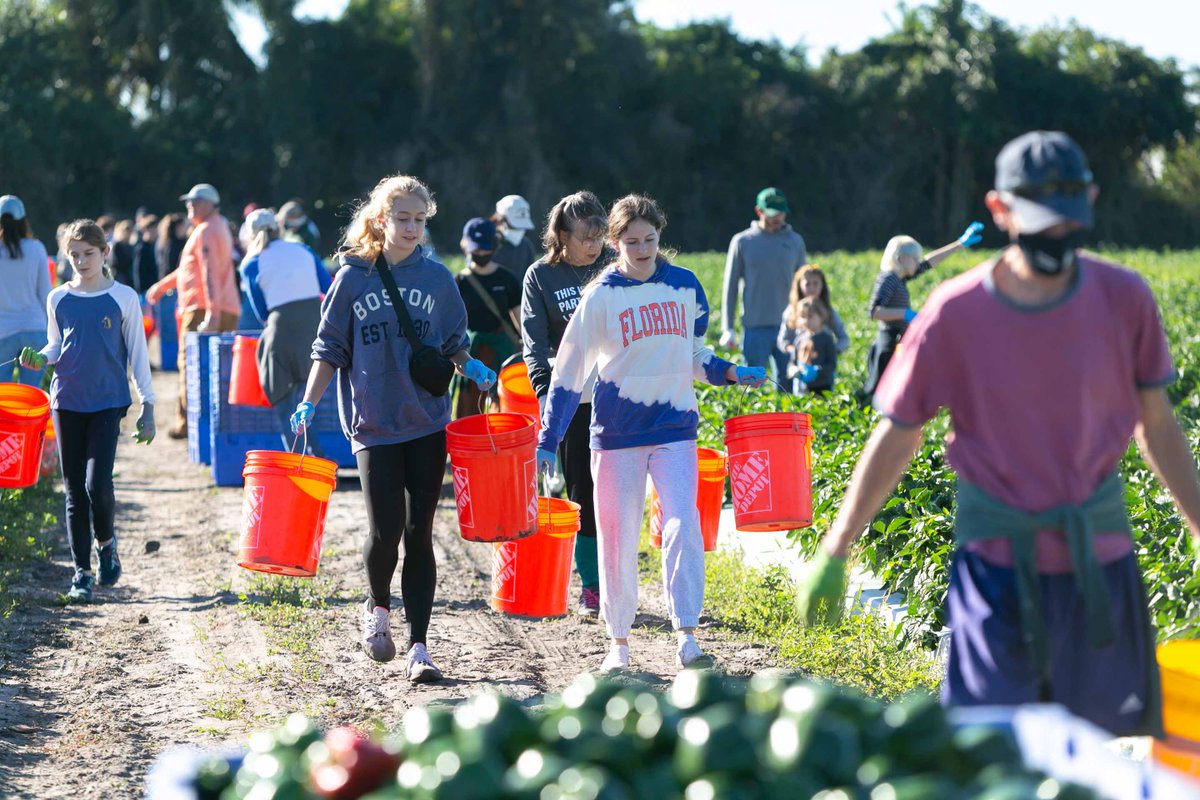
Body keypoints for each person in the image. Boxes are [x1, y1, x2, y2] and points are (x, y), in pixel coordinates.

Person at [797, 131, 1200, 738]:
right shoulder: (955, 312)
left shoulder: (1124, 299)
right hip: (997, 570)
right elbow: (898, 435)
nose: (1056, 243)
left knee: (1094, 754)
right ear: (1000, 210)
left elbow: (1159, 426)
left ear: (1089, 201)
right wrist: (837, 545)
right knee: (997, 751)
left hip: (1099, 566)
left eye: (1069, 227)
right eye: (1041, 227)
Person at [536, 194, 768, 673]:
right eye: (631, 241)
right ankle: (618, 642)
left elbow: (694, 355)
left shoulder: (685, 288)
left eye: (650, 239)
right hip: (616, 431)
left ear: (660, 237)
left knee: (683, 522)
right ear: (615, 242)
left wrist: (728, 372)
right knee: (617, 535)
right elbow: (569, 371)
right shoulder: (600, 296)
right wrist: (548, 437)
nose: (642, 249)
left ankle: (686, 635)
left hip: (675, 426)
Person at [289, 174, 496, 681]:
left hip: (427, 421)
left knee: (419, 532)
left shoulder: (439, 280)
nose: (411, 228)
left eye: (420, 220)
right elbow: (329, 348)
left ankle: (420, 647)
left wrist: (474, 369)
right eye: (402, 218)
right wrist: (308, 402)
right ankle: (378, 606)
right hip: (373, 423)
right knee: (385, 531)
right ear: (381, 219)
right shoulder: (353, 278)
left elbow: (453, 345)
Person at [19, 219, 155, 603]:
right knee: (74, 490)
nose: (81, 261)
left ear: (105, 252)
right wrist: (39, 359)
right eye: (74, 255)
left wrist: (149, 405)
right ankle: (81, 573)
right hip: (66, 400)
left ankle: (106, 544)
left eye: (88, 254)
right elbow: (53, 346)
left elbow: (139, 356)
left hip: (109, 400)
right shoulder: (58, 298)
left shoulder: (124, 297)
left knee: (98, 485)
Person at [521, 190, 613, 618]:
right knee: (582, 489)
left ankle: (619, 576)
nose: (594, 245)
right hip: (572, 398)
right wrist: (546, 399)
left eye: (600, 235)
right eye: (585, 237)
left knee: (617, 488)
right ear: (562, 235)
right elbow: (535, 347)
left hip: (621, 395)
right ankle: (592, 585)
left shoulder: (617, 268)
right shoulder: (541, 277)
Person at [145, 183, 240, 439]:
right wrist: (163, 286)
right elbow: (193, 269)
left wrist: (212, 313)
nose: (189, 205)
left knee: (189, 365)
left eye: (194, 201)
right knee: (219, 370)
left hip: (202, 308)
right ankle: (213, 424)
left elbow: (209, 273)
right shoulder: (214, 227)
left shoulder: (206, 230)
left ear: (208, 203)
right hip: (219, 305)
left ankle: (187, 423)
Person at [238, 209, 332, 456]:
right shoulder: (304, 250)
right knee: (310, 399)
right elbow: (329, 289)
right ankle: (319, 458)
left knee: (285, 405)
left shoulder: (250, 263)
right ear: (278, 228)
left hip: (281, 331)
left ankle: (295, 466)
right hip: (315, 328)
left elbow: (261, 312)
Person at [861, 222, 983, 401]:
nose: (918, 262)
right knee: (880, 392)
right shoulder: (888, 278)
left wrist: (959, 244)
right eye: (914, 258)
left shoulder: (899, 278)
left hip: (899, 338)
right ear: (901, 258)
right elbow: (874, 311)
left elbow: (929, 262)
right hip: (888, 341)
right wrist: (904, 313)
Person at [719, 187, 807, 385]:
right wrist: (728, 327)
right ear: (759, 211)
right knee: (750, 386)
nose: (778, 217)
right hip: (754, 326)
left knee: (788, 385)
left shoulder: (794, 241)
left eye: (781, 212)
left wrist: (806, 321)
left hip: (790, 326)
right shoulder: (742, 241)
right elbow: (730, 286)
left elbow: (805, 285)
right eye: (772, 212)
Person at [453, 217, 522, 419]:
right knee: (468, 410)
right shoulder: (459, 282)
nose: (481, 253)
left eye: (485, 248)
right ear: (466, 246)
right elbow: (451, 323)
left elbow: (519, 318)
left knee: (504, 407)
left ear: (494, 246)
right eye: (476, 249)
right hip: (472, 352)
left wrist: (527, 345)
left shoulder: (507, 279)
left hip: (503, 349)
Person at [0, 195, 51, 386]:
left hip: (2, 331)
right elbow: (46, 293)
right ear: (23, 220)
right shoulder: (36, 248)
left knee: (3, 398)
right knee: (32, 394)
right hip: (34, 328)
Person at [779, 296, 837, 395]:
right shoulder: (799, 339)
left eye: (810, 316)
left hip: (822, 387)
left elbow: (832, 364)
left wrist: (817, 370)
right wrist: (794, 370)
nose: (806, 320)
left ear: (821, 316)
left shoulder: (827, 339)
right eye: (803, 316)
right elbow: (793, 361)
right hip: (802, 388)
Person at [793, 264, 849, 355]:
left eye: (815, 283)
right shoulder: (792, 312)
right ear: (800, 285)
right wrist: (798, 352)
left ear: (822, 285)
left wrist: (830, 352)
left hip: (825, 367)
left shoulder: (829, 312)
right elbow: (783, 341)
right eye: (807, 284)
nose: (812, 288)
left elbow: (844, 339)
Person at [491, 194, 539, 282]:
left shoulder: (526, 245)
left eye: (522, 226)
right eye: (515, 226)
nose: (519, 230)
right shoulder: (487, 245)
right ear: (501, 220)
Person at [131, 214, 160, 294]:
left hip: (155, 288)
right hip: (145, 291)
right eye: (151, 229)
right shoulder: (141, 248)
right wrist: (140, 291)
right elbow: (138, 272)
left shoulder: (157, 246)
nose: (154, 231)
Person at [155, 213, 187, 280]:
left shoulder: (183, 242)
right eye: (183, 225)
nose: (186, 228)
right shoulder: (171, 245)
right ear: (178, 227)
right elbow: (170, 268)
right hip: (172, 284)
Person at [110, 219, 136, 287]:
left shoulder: (131, 246)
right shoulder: (117, 245)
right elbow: (115, 263)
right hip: (119, 276)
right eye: (126, 230)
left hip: (129, 276)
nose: (128, 233)